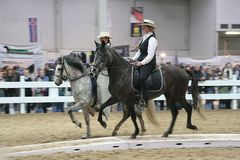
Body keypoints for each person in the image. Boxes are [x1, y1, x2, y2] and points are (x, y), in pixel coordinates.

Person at [129, 19, 158, 106]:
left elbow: (150, 55)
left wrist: (141, 63)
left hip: (149, 63)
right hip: (141, 61)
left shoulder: (152, 39)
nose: (142, 28)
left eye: (144, 27)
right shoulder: (144, 37)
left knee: (142, 77)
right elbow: (139, 51)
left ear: (149, 28)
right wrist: (133, 59)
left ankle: (145, 98)